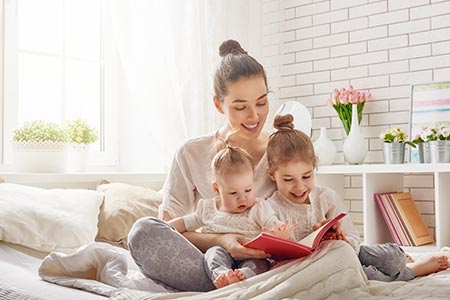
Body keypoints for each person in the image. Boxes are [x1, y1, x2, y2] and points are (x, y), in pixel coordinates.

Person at [128, 39, 277, 292]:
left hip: (270, 263)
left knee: (340, 250)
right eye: (241, 107)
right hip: (210, 260)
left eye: (262, 103)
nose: (254, 116)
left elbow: (305, 211)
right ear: (219, 104)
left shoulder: (282, 151)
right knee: (143, 233)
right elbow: (168, 230)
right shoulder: (191, 154)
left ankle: (237, 286)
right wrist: (224, 240)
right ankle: (236, 286)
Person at [264, 113, 449, 282]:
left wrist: (341, 239)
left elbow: (354, 240)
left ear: (314, 168)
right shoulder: (269, 208)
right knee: (364, 276)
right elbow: (272, 261)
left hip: (347, 253)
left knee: (393, 258)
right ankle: (414, 270)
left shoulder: (326, 197)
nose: (300, 186)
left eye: (306, 176)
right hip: (320, 268)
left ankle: (403, 261)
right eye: (288, 179)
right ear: (272, 174)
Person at [169, 144, 295, 288]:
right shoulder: (208, 209)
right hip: (222, 253)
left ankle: (244, 277)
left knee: (259, 264)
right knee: (213, 254)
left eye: (248, 190)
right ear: (217, 189)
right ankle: (222, 276)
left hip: (251, 255)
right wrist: (167, 227)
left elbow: (272, 222)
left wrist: (279, 231)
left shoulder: (258, 207)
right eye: (233, 193)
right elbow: (185, 222)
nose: (242, 198)